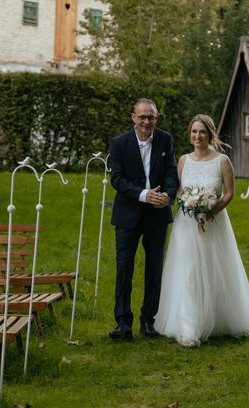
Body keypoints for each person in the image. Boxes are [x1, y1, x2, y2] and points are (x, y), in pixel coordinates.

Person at [154, 114, 249, 347]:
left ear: (210, 134)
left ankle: (217, 318)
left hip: (213, 223)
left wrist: (210, 211)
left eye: (202, 132)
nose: (197, 136)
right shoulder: (183, 160)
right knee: (188, 271)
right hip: (187, 224)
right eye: (193, 132)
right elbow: (180, 190)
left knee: (215, 269)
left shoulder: (222, 161)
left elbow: (229, 193)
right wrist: (188, 203)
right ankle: (188, 327)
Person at [108, 98, 179, 340]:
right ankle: (122, 323)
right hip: (128, 213)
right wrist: (144, 195)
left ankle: (149, 320)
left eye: (151, 117)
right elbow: (116, 179)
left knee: (154, 270)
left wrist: (167, 196)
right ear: (133, 117)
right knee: (124, 269)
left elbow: (171, 172)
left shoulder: (165, 140)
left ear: (156, 118)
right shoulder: (119, 143)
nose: (146, 121)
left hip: (157, 215)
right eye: (142, 117)